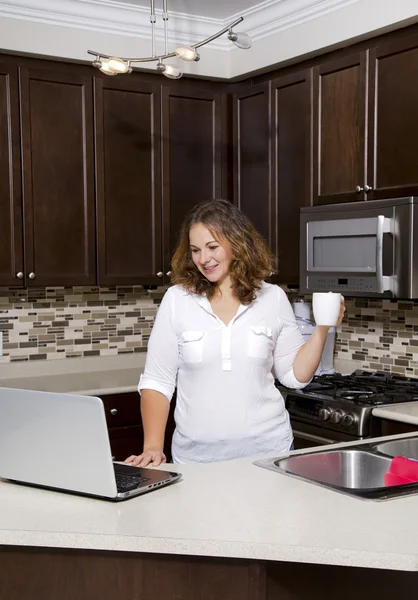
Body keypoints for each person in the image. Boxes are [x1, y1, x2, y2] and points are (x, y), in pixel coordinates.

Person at [125, 200, 345, 466]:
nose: (203, 259)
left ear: (237, 243)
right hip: (196, 461)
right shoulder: (177, 300)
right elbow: (157, 382)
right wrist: (152, 447)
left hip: (269, 455)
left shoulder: (272, 298)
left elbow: (294, 376)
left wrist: (322, 328)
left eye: (212, 247)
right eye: (195, 250)